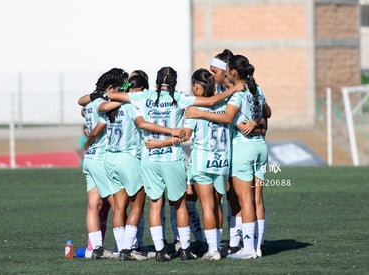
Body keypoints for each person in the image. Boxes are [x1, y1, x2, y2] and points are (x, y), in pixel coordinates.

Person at [106, 66, 243, 262]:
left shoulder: (145, 96)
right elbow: (212, 101)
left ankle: (161, 250)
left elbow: (113, 94)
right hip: (172, 158)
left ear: (156, 81)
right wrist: (232, 90)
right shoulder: (179, 98)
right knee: (179, 205)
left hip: (150, 158)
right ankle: (185, 248)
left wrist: (127, 83)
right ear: (175, 83)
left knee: (155, 204)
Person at [186, 55, 269, 259]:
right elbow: (267, 111)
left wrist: (199, 114)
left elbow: (228, 118)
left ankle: (247, 249)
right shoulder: (256, 89)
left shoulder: (236, 94)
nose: (214, 75)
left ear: (231, 72)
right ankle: (256, 246)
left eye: (216, 71)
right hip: (261, 148)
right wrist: (256, 121)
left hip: (242, 149)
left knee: (244, 201)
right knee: (255, 199)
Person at [97, 72, 185, 261]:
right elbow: (143, 124)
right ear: (141, 90)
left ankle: (120, 248)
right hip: (129, 158)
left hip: (110, 159)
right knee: (137, 206)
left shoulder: (111, 107)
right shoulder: (133, 105)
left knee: (119, 207)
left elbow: (98, 107)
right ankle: (128, 249)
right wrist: (172, 132)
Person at [184, 68, 233, 260]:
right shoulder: (224, 103)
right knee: (218, 205)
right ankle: (218, 245)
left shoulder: (194, 108)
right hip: (222, 161)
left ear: (197, 86)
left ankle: (212, 249)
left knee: (207, 206)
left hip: (202, 162)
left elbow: (186, 135)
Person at [81, 68, 128, 259]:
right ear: (110, 88)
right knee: (117, 204)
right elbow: (101, 123)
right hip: (100, 159)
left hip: (89, 160)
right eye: (121, 87)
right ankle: (124, 247)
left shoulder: (91, 102)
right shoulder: (102, 104)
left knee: (94, 205)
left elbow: (82, 105)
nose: (123, 91)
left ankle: (95, 249)